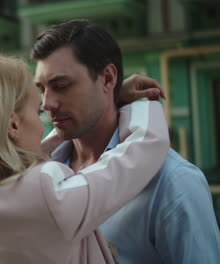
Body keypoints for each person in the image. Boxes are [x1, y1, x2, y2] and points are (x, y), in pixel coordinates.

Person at [0, 54, 169, 263]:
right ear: (12, 124)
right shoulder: (48, 194)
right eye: (37, 111)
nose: (44, 126)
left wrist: (105, 102)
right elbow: (144, 145)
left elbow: (9, 163)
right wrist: (132, 105)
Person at [32, 19, 220, 264]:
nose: (47, 104)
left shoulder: (174, 182)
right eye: (42, 89)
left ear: (108, 79)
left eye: (62, 86)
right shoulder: (40, 174)